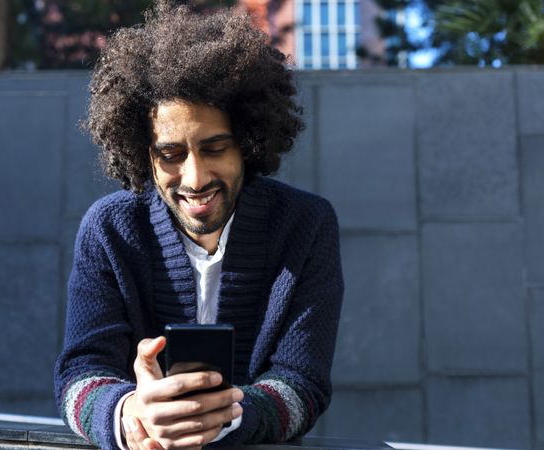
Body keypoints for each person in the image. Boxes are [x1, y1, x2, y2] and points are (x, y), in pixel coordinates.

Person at [54, 1, 344, 449]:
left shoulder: (305, 225)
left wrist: (221, 418)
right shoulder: (109, 230)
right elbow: (80, 375)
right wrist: (131, 413)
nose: (194, 178)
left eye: (214, 149)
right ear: (141, 153)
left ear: (248, 143)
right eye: (170, 155)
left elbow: (302, 383)